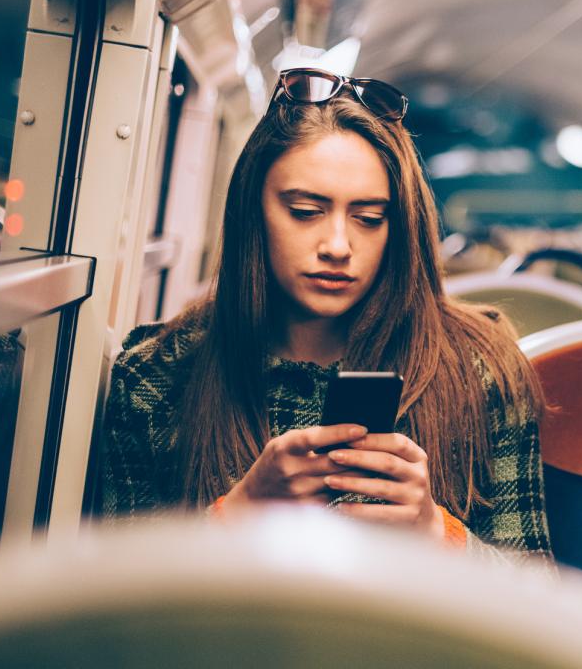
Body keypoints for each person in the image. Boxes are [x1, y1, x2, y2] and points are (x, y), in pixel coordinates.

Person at [99, 68, 551, 563]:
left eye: (369, 219)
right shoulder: (156, 377)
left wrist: (436, 533)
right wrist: (236, 517)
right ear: (254, 212)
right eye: (305, 211)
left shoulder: (480, 368)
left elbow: (537, 595)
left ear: (398, 228)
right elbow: (119, 614)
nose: (338, 246)